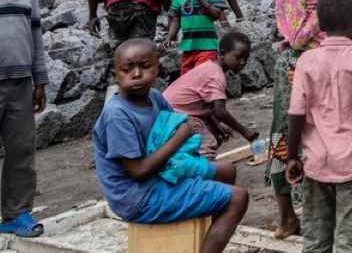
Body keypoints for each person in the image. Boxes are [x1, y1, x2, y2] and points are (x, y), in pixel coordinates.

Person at [92, 39, 248, 251]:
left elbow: (177, 124)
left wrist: (187, 135)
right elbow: (139, 171)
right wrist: (182, 135)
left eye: (145, 67)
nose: (136, 74)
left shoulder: (155, 98)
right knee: (238, 198)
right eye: (127, 69)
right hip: (137, 196)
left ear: (158, 68)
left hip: (160, 173)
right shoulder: (117, 115)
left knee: (227, 171)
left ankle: (204, 239)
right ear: (115, 74)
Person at [285, 0, 352, 252]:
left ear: (320, 24)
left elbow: (295, 113)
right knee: (350, 235)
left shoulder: (306, 59)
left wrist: (291, 156)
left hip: (316, 159)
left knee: (316, 235)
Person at [268, 0, 332, 240]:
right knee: (288, 137)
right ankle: (288, 216)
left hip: (304, 62)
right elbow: (297, 36)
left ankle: (295, 215)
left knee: (298, 136)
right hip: (297, 67)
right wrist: (322, 3)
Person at [0, 0, 47, 238]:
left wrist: (40, 81)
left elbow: (37, 45)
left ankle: (16, 214)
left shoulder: (27, 0)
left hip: (20, 86)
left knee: (20, 151)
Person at [164, 33, 258, 157]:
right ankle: (207, 171)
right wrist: (244, 131)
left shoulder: (209, 67)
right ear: (223, 53)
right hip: (176, 115)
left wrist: (217, 125)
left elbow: (205, 106)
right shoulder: (216, 75)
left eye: (245, 59)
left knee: (212, 132)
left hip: (169, 111)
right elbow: (220, 112)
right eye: (238, 57)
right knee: (208, 143)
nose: (242, 62)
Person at [165, 0, 228, 76]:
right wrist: (170, 37)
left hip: (207, 46)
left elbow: (216, 15)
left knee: (202, 76)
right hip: (188, 47)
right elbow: (176, 19)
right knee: (187, 79)